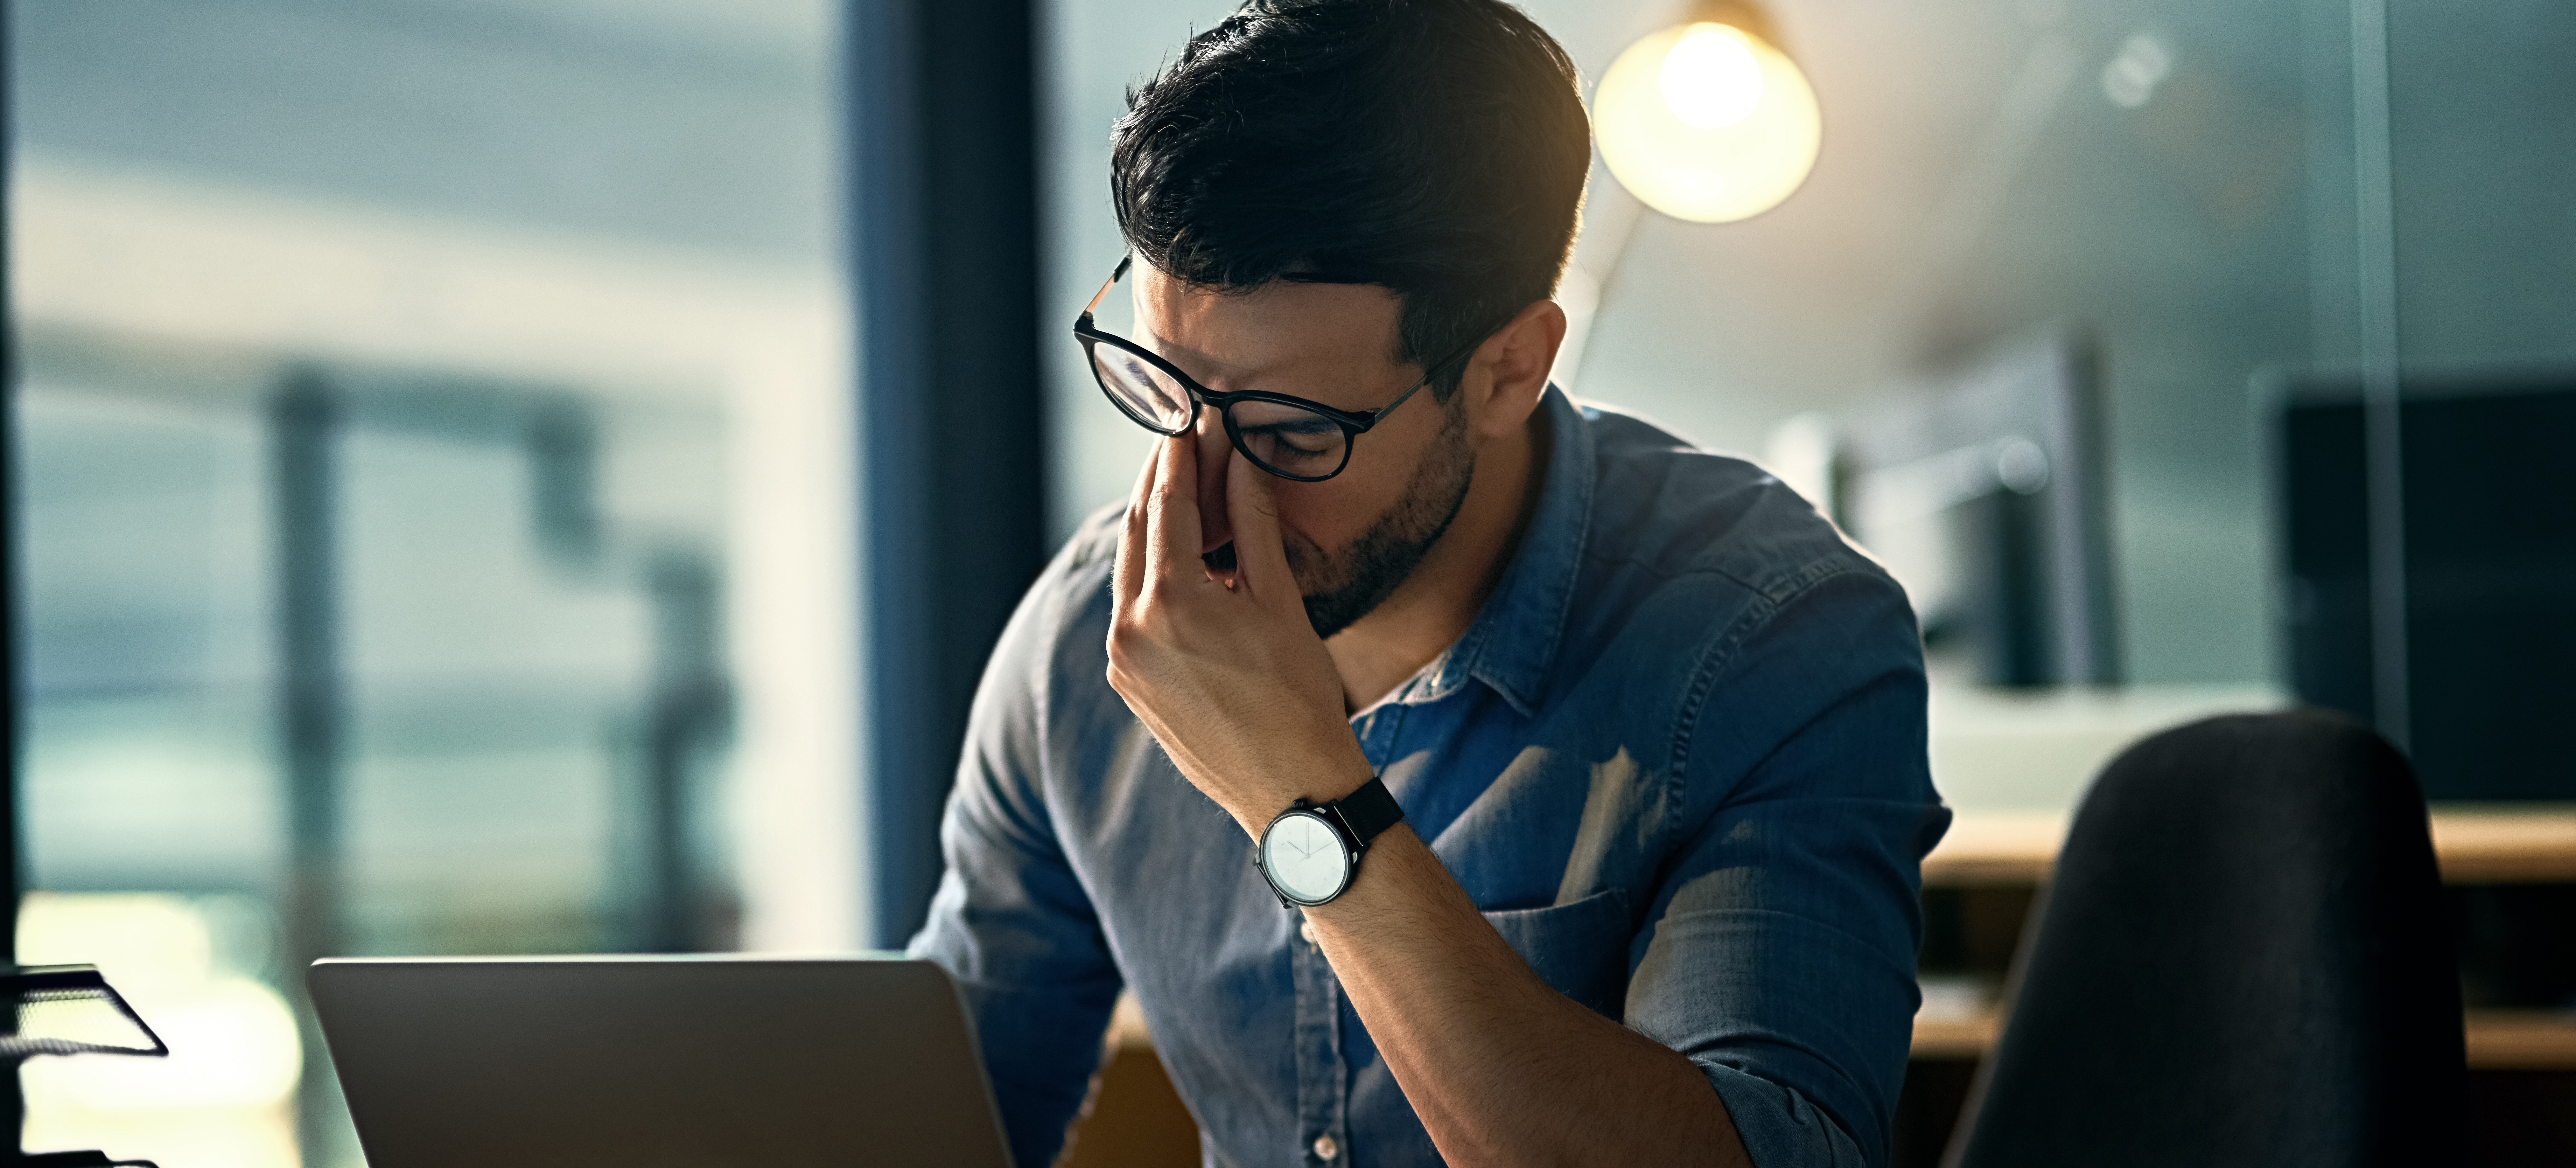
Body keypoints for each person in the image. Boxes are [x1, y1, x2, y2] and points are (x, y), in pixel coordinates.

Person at [910, 1, 1950, 1164]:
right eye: (1162, 393)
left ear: (1509, 370)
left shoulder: (1775, 642)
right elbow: (949, 1107)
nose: (1197, 500)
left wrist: (1302, 799)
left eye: (1292, 435)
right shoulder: (1085, 645)